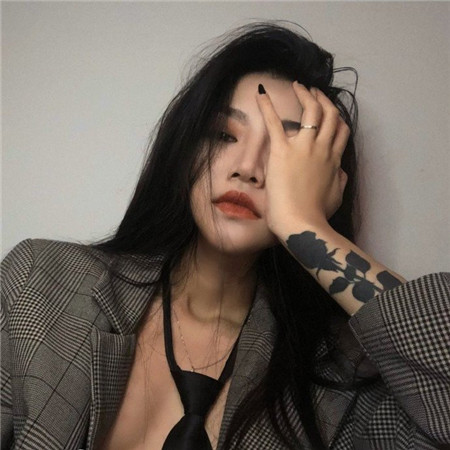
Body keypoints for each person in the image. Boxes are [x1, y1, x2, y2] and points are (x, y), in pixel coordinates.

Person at [1, 22, 449, 450]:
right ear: (185, 148)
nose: (247, 167)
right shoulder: (39, 283)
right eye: (222, 135)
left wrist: (306, 226)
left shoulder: (343, 372)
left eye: (281, 153)